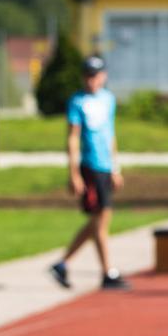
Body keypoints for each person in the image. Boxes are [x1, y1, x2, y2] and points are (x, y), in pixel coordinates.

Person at [48, 55, 129, 290]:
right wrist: (73, 173)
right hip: (90, 166)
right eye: (87, 76)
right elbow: (72, 138)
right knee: (101, 221)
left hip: (106, 166)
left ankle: (63, 264)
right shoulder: (77, 102)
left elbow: (111, 135)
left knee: (98, 221)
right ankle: (107, 272)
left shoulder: (108, 100)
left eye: (95, 76)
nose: (91, 80)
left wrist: (116, 167)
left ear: (103, 76)